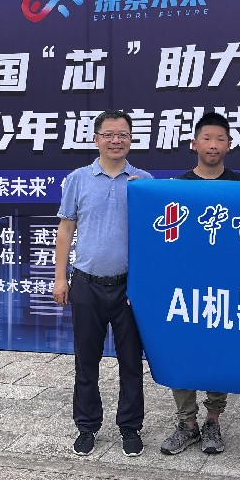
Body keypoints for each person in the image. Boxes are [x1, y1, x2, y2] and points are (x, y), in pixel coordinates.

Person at [53, 110, 152, 458]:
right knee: (86, 361)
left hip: (128, 288)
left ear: (131, 139)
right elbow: (66, 228)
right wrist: (60, 278)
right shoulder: (78, 179)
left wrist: (144, 285)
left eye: (122, 134)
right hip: (86, 284)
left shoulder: (143, 182)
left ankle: (130, 427)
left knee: (131, 362)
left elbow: (153, 237)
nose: (116, 141)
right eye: (108, 134)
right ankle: (87, 426)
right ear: (96, 139)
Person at [160, 111, 240, 456]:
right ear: (194, 144)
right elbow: (166, 239)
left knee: (218, 352)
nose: (213, 145)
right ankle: (187, 422)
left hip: (227, 286)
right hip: (185, 287)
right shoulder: (176, 188)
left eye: (220, 139)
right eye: (207, 139)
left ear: (229, 145)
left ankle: (213, 420)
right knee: (181, 351)